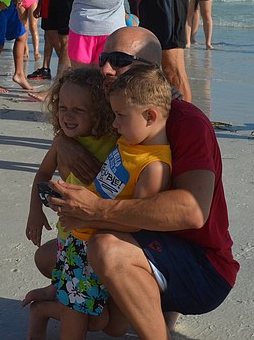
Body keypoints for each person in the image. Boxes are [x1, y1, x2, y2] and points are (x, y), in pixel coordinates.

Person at [33, 26, 238, 339]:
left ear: (152, 69)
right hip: (151, 245)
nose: (106, 68)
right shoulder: (119, 113)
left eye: (119, 60)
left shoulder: (186, 122)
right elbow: (79, 122)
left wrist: (96, 210)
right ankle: (150, 307)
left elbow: (192, 210)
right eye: (103, 59)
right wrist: (64, 143)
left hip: (202, 268)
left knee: (104, 249)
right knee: (52, 256)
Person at [25, 66, 172, 339]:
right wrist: (37, 210)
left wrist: (88, 216)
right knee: (77, 313)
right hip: (77, 238)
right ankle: (52, 303)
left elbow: (137, 219)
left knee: (108, 323)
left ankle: (46, 306)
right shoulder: (127, 141)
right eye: (62, 108)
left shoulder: (136, 150)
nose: (116, 123)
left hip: (96, 239)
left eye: (120, 116)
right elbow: (45, 173)